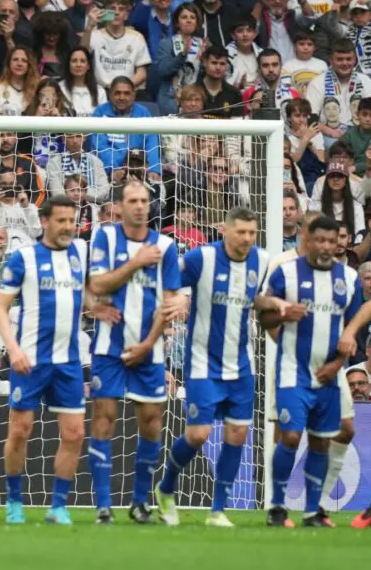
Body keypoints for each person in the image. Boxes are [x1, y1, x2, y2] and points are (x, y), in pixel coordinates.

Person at [154, 207, 291, 528]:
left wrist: (273, 303)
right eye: (240, 232)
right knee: (199, 434)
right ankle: (166, 487)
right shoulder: (202, 258)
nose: (246, 238)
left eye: (251, 233)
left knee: (237, 434)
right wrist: (176, 298)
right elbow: (168, 275)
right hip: (202, 362)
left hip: (242, 364)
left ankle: (218, 510)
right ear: (225, 231)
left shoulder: (261, 260)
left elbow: (252, 297)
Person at [86, 180, 180, 525]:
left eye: (144, 200)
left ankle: (140, 502)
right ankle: (103, 506)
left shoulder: (167, 246)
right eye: (133, 200)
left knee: (152, 424)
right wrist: (136, 262)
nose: (140, 206)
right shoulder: (106, 238)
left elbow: (170, 301)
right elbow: (96, 285)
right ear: (121, 206)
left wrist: (147, 344)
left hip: (149, 349)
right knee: (103, 420)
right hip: (109, 347)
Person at [261, 215, 360, 528]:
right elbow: (263, 315)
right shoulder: (286, 273)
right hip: (292, 371)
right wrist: (282, 314)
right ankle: (276, 507)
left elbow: (352, 331)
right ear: (308, 239)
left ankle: (311, 511)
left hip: (329, 376)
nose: (327, 246)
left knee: (320, 441)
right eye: (321, 240)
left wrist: (336, 366)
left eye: (333, 241)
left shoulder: (350, 278)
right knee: (290, 435)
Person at [0, 195, 87, 525]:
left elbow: (89, 292)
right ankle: (14, 501)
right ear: (45, 221)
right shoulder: (23, 258)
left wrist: (100, 306)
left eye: (71, 220)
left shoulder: (81, 254)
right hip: (30, 360)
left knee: (75, 434)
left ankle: (58, 506)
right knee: (20, 430)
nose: (67, 227)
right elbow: (0, 309)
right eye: (61, 220)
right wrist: (13, 349)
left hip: (69, 362)